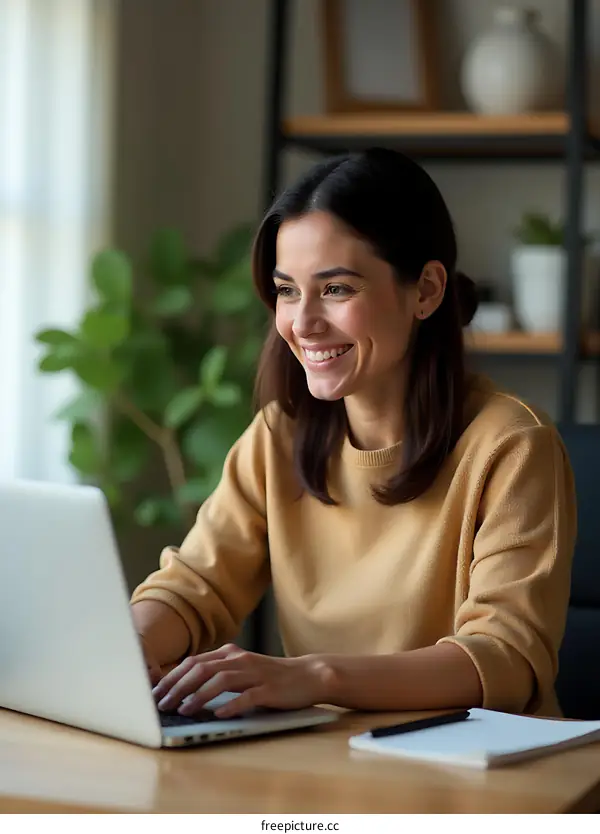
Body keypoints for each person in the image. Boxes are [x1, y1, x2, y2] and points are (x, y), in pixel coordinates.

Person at [131, 147, 576, 721]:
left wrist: (313, 675)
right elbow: (193, 587)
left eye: (337, 289)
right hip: (328, 763)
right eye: (287, 290)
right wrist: (129, 650)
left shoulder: (512, 445)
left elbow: (504, 660)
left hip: (482, 785)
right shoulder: (279, 436)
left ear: (426, 291)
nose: (303, 321)